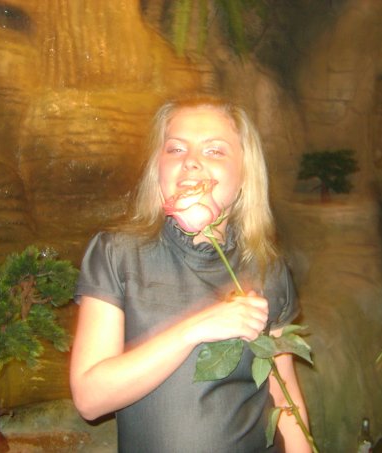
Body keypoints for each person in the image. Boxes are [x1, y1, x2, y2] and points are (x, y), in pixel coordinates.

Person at [70, 94, 311, 453]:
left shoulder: (266, 267)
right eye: (176, 149)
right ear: (158, 168)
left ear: (245, 175)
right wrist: (195, 329)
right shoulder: (117, 254)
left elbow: (285, 395)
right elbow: (90, 399)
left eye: (214, 150)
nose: (191, 162)